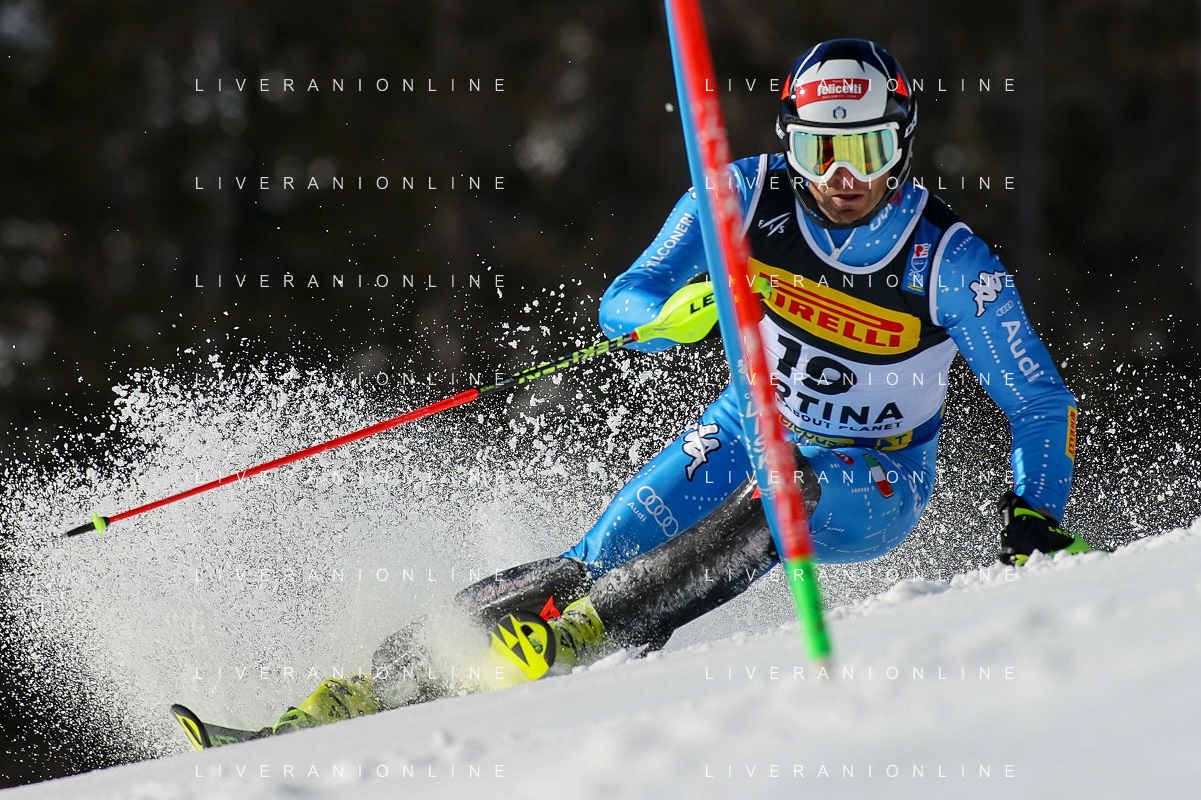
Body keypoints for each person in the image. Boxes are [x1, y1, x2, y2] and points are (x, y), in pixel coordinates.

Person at [271, 38, 1094, 732]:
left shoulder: (946, 259)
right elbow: (622, 301)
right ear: (791, 144)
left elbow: (1037, 401)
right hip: (744, 424)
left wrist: (1035, 516)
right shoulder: (740, 195)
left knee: (788, 486)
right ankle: (380, 683)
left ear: (901, 147)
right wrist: (665, 318)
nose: (842, 178)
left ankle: (590, 637)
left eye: (867, 152)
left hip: (877, 473)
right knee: (590, 561)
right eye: (819, 152)